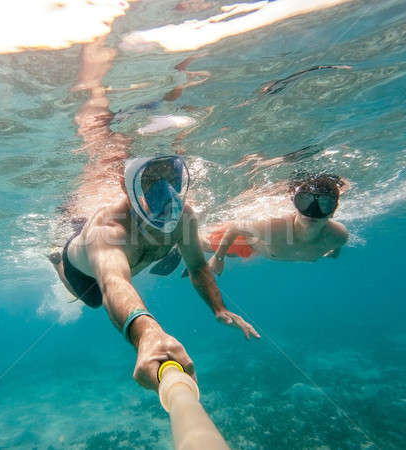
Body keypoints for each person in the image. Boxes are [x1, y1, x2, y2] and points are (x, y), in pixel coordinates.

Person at [48, 38, 258, 393]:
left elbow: (197, 267)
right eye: (150, 181)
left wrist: (218, 309)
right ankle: (57, 257)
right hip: (83, 269)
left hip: (142, 253)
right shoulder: (109, 230)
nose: (166, 194)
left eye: (172, 178)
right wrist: (147, 333)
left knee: (171, 254)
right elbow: (116, 283)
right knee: (96, 300)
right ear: (128, 186)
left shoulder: (185, 217)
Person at [205, 175, 349, 275]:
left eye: (324, 205)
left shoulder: (339, 237)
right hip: (246, 242)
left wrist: (333, 252)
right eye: (305, 203)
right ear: (295, 204)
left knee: (235, 255)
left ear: (332, 211)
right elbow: (235, 227)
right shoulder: (272, 228)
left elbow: (336, 246)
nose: (312, 212)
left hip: (267, 249)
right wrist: (218, 258)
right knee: (203, 243)